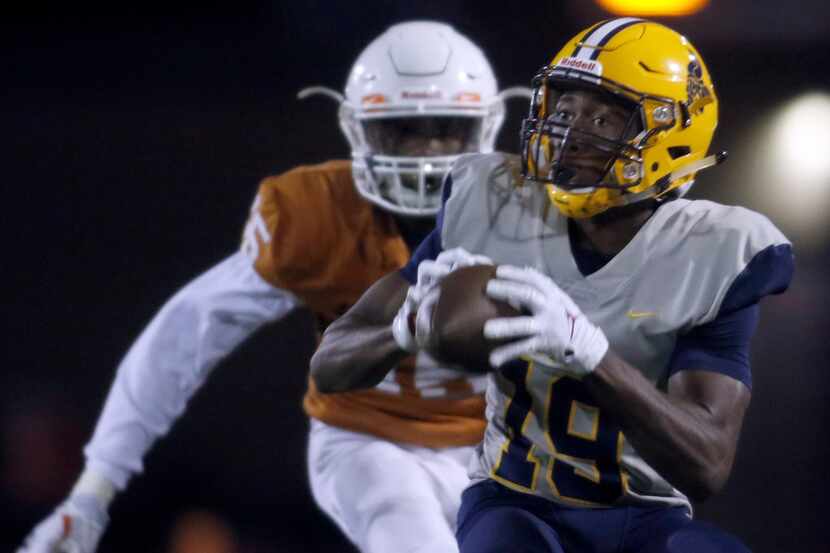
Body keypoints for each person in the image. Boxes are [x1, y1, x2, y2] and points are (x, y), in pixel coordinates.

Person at [17, 21, 530, 553]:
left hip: (507, 447)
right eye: (402, 128)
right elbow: (185, 331)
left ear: (487, 126)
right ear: (356, 128)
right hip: (373, 442)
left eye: (447, 127)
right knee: (403, 522)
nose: (427, 153)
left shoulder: (533, 211)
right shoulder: (316, 217)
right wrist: (93, 490)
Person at [310, 18, 795, 553]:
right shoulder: (494, 202)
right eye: (563, 111)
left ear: (671, 134)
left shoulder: (716, 249)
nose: (569, 134)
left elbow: (706, 466)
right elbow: (330, 364)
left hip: (647, 514)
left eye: (604, 118)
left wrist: (590, 355)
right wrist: (402, 331)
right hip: (517, 501)